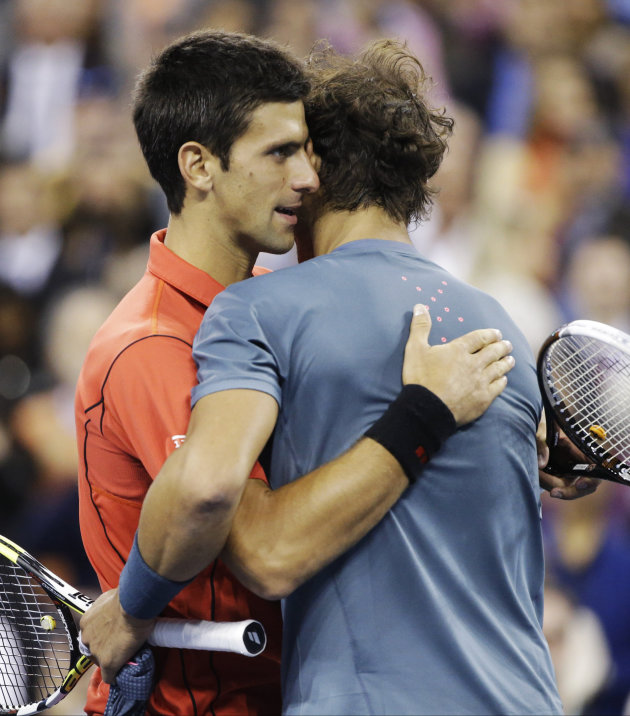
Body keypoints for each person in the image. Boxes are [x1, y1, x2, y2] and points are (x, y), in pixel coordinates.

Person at [76, 30, 517, 716]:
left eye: (306, 151)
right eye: (280, 153)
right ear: (198, 166)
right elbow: (252, 533)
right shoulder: (153, 349)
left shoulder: (269, 317)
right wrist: (427, 417)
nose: (309, 178)